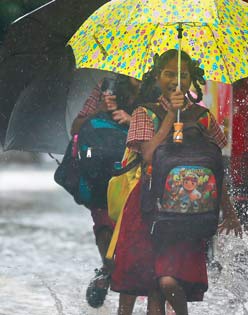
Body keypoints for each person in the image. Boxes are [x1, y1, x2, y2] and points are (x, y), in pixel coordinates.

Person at [111, 49, 242, 315]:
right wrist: (171, 115)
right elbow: (147, 153)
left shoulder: (203, 117)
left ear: (193, 79)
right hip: (146, 206)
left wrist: (228, 211)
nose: (176, 80)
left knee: (166, 280)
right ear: (157, 76)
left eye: (183, 75)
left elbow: (215, 166)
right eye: (169, 73)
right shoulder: (143, 113)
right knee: (139, 279)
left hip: (187, 208)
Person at [69, 74, 140, 311]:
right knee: (105, 231)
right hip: (100, 176)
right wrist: (99, 109)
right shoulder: (105, 86)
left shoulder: (160, 90)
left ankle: (112, 277)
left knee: (134, 241)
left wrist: (134, 122)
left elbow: (167, 135)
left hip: (137, 175)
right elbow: (76, 129)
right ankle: (108, 269)